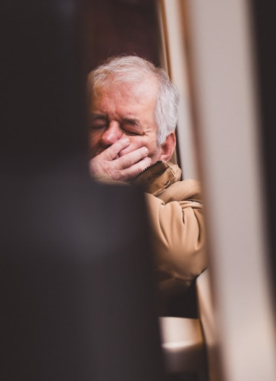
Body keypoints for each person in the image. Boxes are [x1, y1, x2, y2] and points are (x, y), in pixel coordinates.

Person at [87, 55, 206, 302]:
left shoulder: (194, 199)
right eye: (97, 124)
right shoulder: (62, 190)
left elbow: (179, 255)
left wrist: (97, 182)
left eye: (130, 128)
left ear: (165, 147)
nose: (108, 137)